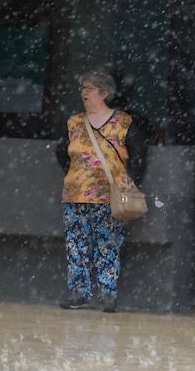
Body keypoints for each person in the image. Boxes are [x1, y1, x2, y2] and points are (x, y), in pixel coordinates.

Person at [58, 68, 147, 313]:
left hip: (110, 196)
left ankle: (108, 293)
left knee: (107, 244)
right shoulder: (74, 123)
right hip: (75, 196)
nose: (83, 93)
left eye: (89, 88)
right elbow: (61, 153)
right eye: (82, 88)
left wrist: (129, 182)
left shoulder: (123, 123)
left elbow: (139, 157)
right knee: (76, 245)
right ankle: (79, 292)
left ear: (104, 93)